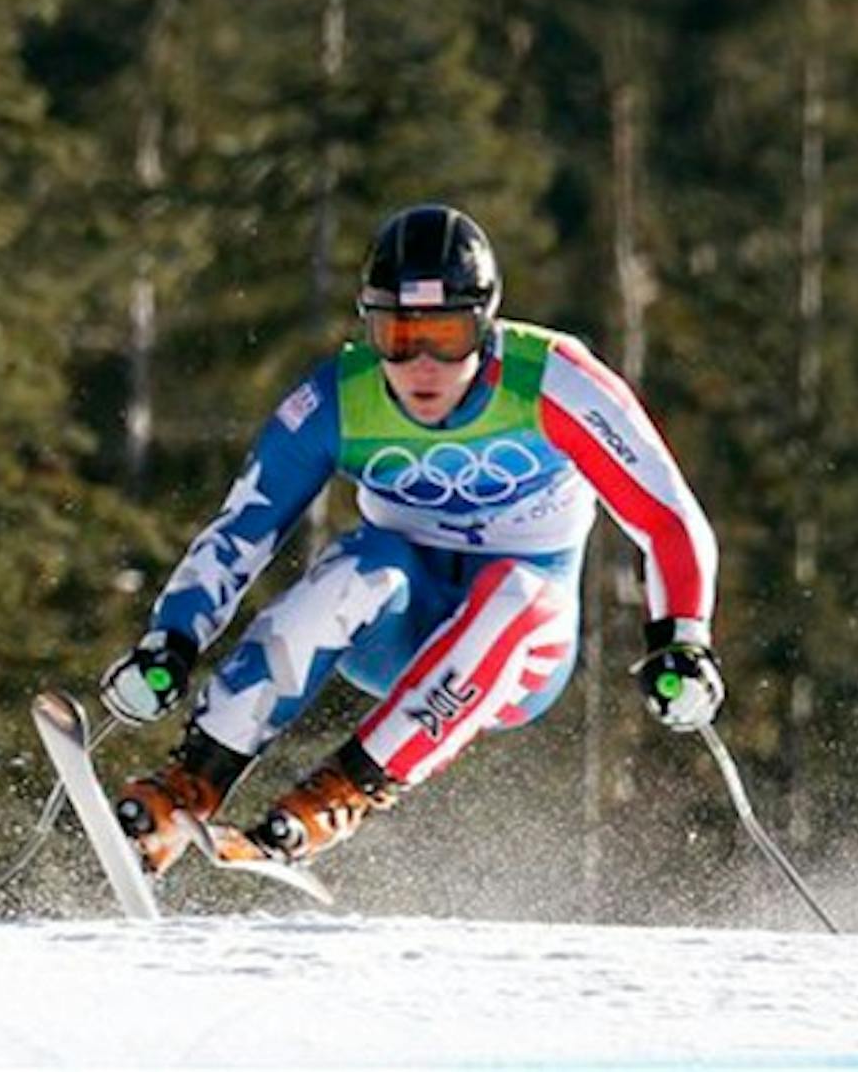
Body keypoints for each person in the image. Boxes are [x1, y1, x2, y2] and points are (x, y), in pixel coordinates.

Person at [100, 203, 722, 873]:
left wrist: (681, 640)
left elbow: (667, 515)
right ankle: (189, 783)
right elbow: (242, 529)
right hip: (392, 633)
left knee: (515, 591)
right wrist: (172, 638)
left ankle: (331, 800)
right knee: (360, 563)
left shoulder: (554, 380)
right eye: (397, 335)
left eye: (447, 336)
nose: (422, 365)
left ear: (484, 326)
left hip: (516, 656)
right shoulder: (339, 398)